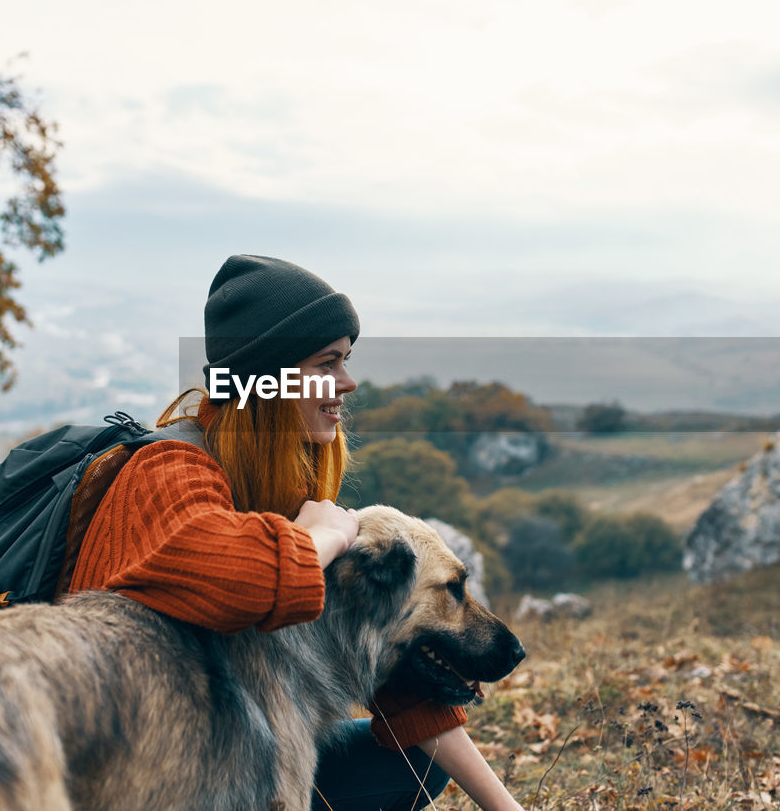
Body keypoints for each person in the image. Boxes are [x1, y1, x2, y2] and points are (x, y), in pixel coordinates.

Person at [67, 254, 523, 811]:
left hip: (239, 746)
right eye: (327, 363)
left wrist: (508, 808)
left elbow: (385, 661)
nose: (348, 382)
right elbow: (241, 581)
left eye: (346, 360)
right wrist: (322, 539)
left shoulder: (288, 484)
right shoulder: (168, 472)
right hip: (136, 768)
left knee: (411, 767)